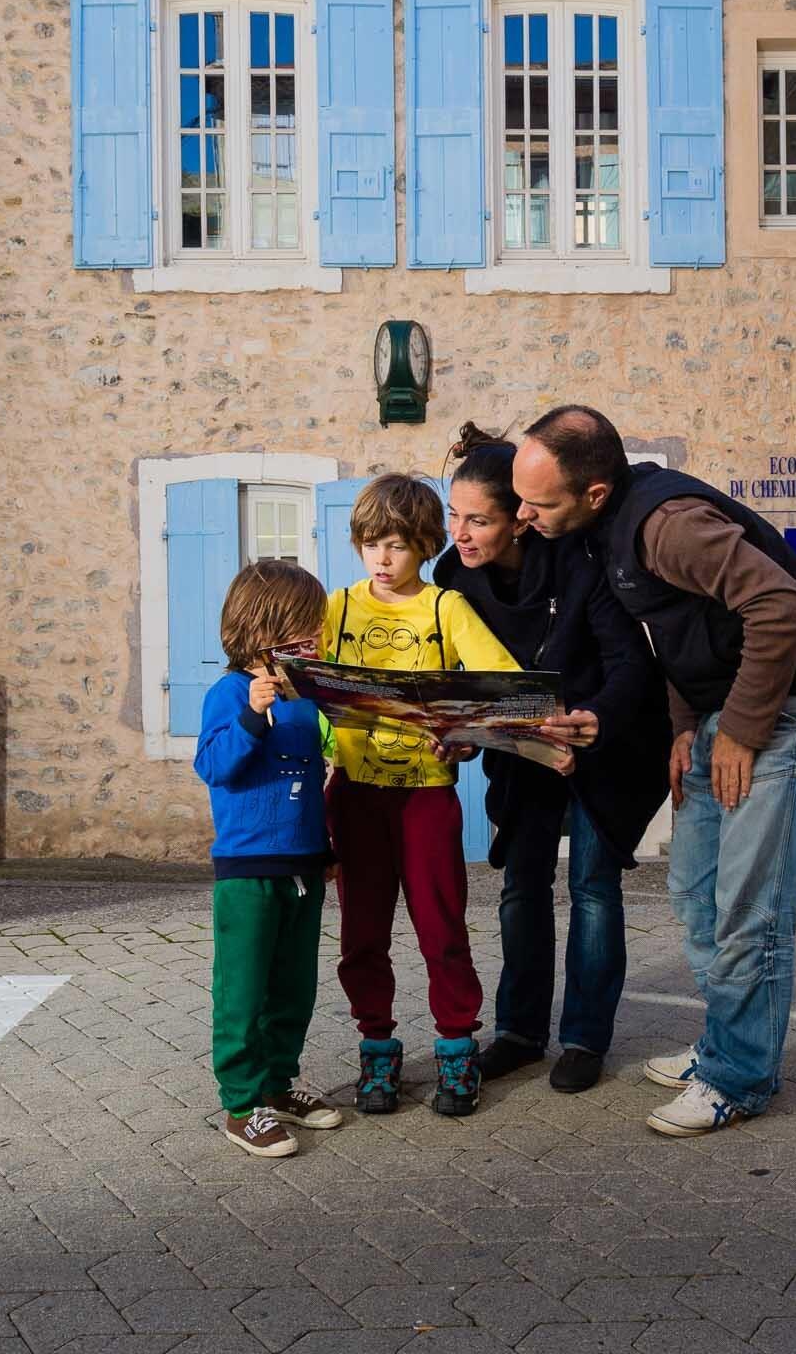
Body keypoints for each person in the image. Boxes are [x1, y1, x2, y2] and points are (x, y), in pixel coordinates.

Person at [514, 406, 796, 1137]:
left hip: (793, 711)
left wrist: (739, 728)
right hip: (719, 715)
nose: (523, 514)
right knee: (696, 886)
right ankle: (721, 1046)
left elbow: (778, 604)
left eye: (538, 503)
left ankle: (738, 1077)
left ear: (595, 493)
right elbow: (677, 628)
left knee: (749, 908)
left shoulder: (668, 523)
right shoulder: (605, 532)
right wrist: (685, 727)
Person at [429, 424, 670, 1095]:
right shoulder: (453, 582)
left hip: (603, 745)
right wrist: (458, 728)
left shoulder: (580, 564)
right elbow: (455, 682)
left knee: (593, 887)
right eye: (454, 516)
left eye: (479, 519)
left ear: (520, 522)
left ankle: (585, 1038)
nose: (462, 533)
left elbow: (630, 665)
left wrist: (589, 721)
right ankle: (518, 1033)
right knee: (521, 889)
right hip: (522, 756)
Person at [322, 474, 522, 1117]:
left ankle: (457, 1051)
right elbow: (302, 683)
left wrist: (463, 737)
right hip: (356, 795)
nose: (383, 559)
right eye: (371, 544)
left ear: (427, 545)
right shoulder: (338, 607)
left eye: (399, 545)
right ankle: (377, 1050)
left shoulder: (446, 608)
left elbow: (507, 690)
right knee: (361, 933)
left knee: (441, 929)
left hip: (427, 797)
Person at [192, 559, 347, 1157]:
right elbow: (214, 767)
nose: (313, 638)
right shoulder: (227, 692)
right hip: (247, 871)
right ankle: (240, 1104)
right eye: (304, 626)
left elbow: (313, 780)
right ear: (264, 626)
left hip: (304, 866)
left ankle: (279, 1087)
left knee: (293, 986)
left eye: (316, 627)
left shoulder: (307, 700)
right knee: (244, 990)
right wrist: (253, 716)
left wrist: (326, 848)